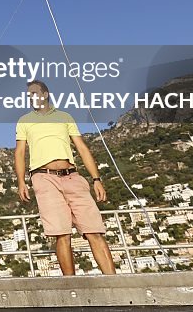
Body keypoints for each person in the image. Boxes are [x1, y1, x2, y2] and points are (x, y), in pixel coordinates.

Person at [14, 79, 116, 276]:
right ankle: (71, 285)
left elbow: (81, 147)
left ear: (45, 95)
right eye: (29, 95)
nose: (31, 97)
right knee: (62, 234)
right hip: (44, 177)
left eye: (35, 93)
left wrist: (96, 179)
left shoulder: (64, 116)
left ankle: (113, 281)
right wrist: (21, 181)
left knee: (94, 230)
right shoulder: (24, 121)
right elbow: (19, 153)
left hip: (73, 176)